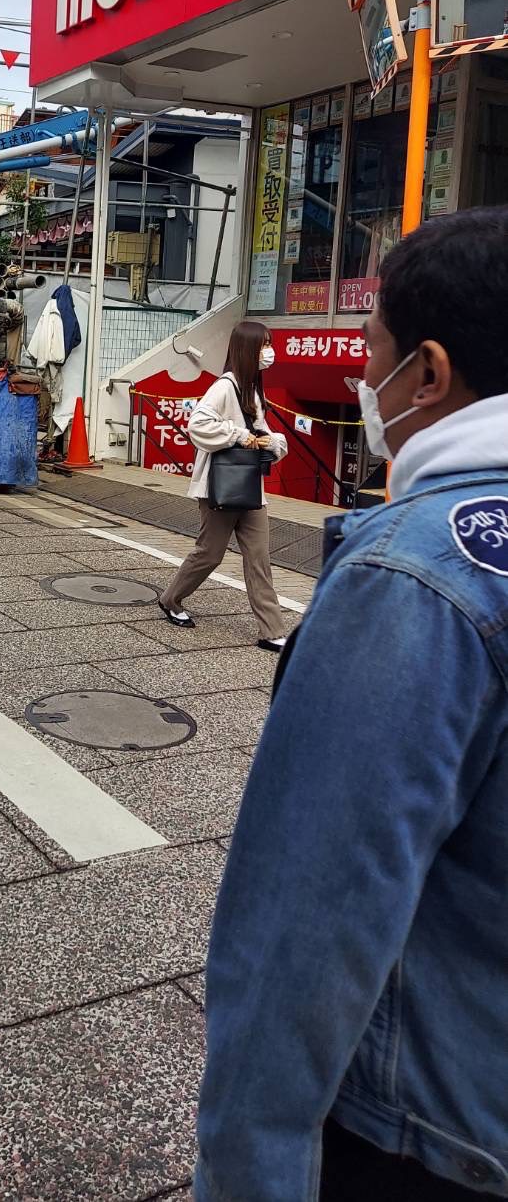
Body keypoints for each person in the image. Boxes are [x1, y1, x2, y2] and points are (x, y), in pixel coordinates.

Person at [195, 208, 508, 1202]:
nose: (360, 379)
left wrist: (248, 1173)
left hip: (426, 1124)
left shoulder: (412, 577)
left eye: (368, 348)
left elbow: (310, 917)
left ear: (427, 372)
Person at [157, 320, 290, 650]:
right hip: (220, 486)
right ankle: (171, 599)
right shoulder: (226, 386)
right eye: (264, 345)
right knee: (210, 553)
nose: (269, 352)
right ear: (246, 349)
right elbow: (198, 424)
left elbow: (261, 433)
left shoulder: (252, 389)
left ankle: (271, 631)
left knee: (259, 557)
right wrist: (241, 436)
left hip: (248, 487)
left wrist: (272, 443)